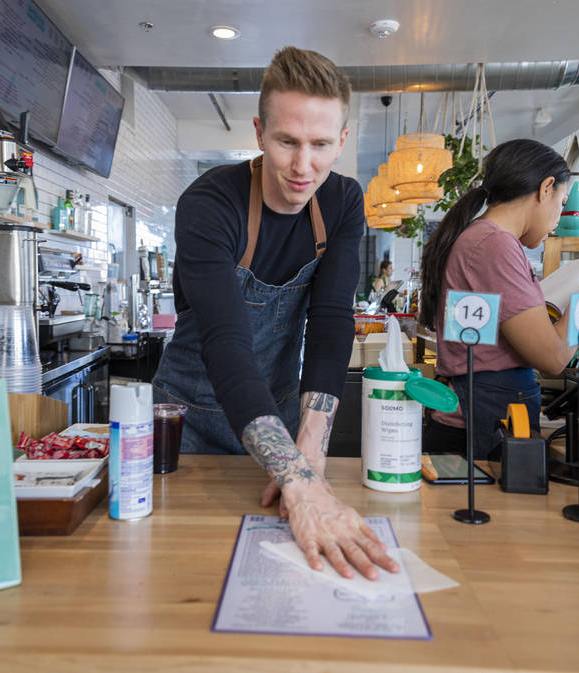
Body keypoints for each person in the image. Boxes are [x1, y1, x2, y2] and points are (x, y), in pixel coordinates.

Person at [152, 47, 397, 580]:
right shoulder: (210, 203)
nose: (303, 166)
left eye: (320, 144)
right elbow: (226, 342)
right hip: (188, 426)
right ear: (260, 132)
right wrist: (298, 478)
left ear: (344, 140)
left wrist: (308, 455)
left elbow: (332, 318)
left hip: (282, 427)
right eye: (287, 141)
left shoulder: (343, 201)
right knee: (179, 572)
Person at [419, 139, 579, 458]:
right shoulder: (494, 244)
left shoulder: (486, 238)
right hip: (478, 430)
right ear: (546, 189)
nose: (558, 220)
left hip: (480, 421)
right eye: (561, 203)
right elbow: (553, 359)